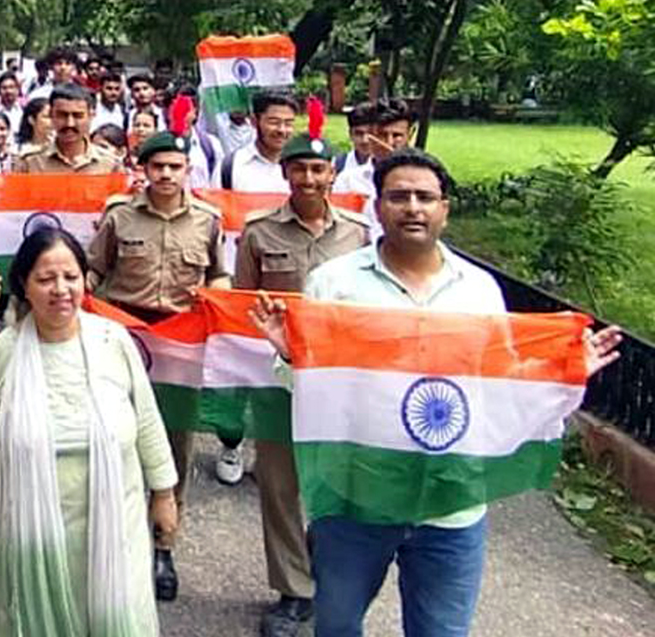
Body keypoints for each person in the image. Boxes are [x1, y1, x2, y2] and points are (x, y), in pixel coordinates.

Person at [250, 148, 623, 637]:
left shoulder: (480, 291)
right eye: (399, 196)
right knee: (337, 626)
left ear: (444, 209)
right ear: (377, 206)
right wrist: (292, 356)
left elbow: (502, 379)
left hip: (450, 503)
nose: (412, 207)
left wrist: (566, 370)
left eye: (425, 197)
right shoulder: (333, 285)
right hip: (356, 496)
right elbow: (311, 392)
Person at [0, 226, 179, 635]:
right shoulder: (1, 355)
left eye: (70, 277)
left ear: (85, 280)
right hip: (27, 534)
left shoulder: (113, 341)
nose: (61, 290)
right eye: (46, 279)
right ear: (24, 285)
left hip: (112, 529)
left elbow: (147, 421)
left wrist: (164, 495)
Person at [231, 132, 369, 637]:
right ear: (284, 174)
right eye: (298, 170)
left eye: (318, 169)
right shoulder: (258, 233)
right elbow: (242, 309)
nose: (309, 179)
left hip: (340, 381)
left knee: (336, 486)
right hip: (277, 379)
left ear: (332, 174)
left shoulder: (358, 234)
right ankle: (293, 590)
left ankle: (327, 570)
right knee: (280, 486)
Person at [86, 131, 231, 601]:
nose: (166, 175)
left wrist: (220, 299)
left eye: (175, 166)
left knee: (172, 446)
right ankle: (114, 539)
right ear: (142, 169)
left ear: (187, 169)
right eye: (157, 167)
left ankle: (163, 545)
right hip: (124, 334)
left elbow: (218, 274)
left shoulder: (208, 221)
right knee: (115, 436)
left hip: (179, 342)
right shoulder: (119, 216)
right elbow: (95, 271)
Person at [333, 98, 416, 239]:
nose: (389, 142)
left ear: (410, 134)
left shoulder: (421, 180)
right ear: (371, 135)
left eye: (397, 136)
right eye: (383, 135)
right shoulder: (347, 180)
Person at [14, 83, 122, 174]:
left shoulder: (109, 164)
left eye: (78, 116)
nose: (70, 124)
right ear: (51, 114)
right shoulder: (29, 162)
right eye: (62, 115)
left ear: (91, 115)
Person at [213, 92, 296, 192]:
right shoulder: (230, 168)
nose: (282, 130)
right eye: (274, 122)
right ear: (254, 121)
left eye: (288, 123)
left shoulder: (304, 169)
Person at [334, 101, 376, 177]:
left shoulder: (388, 167)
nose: (365, 140)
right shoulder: (339, 165)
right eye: (359, 133)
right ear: (350, 134)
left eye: (370, 133)